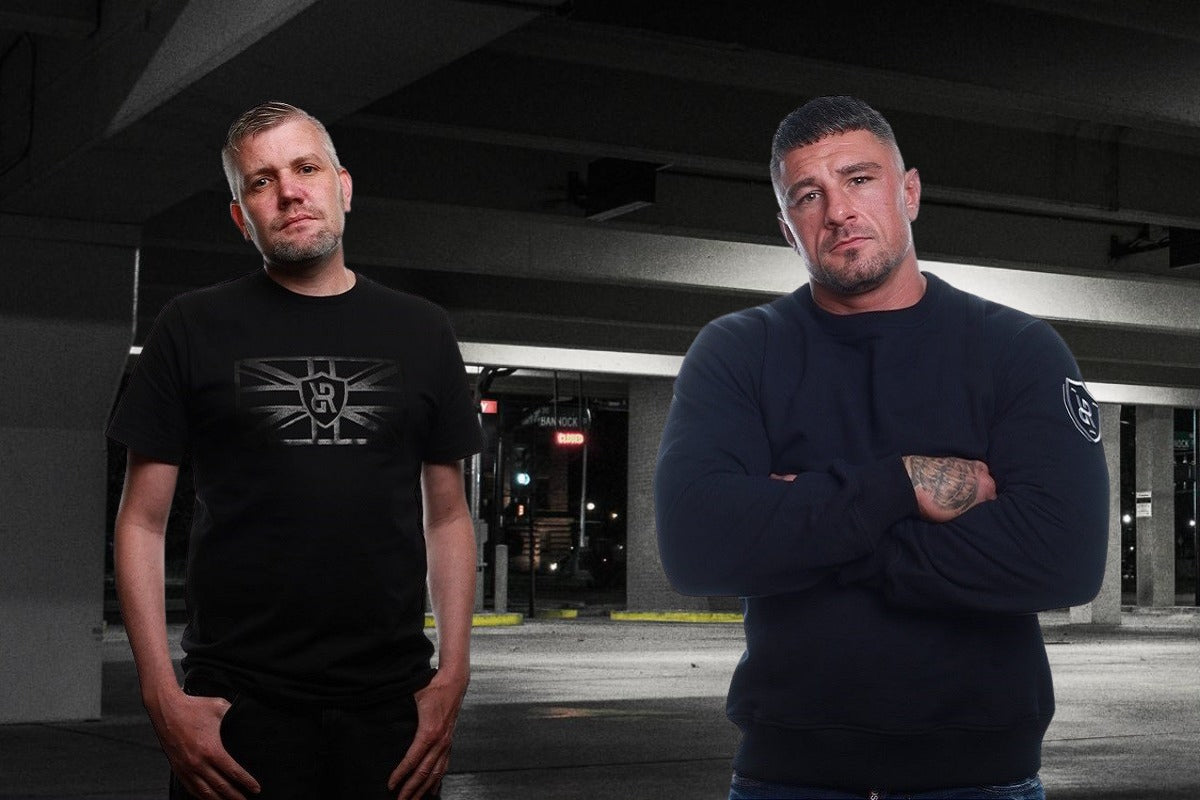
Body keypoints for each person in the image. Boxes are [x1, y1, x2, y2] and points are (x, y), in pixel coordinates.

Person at [654, 96, 1109, 799]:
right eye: (810, 195)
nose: (838, 210)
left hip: (980, 779)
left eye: (860, 179)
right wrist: (899, 487)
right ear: (788, 228)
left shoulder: (1018, 351)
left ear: (909, 192)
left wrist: (806, 528)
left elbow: (1064, 558)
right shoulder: (739, 351)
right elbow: (695, 545)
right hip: (789, 776)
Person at [109, 101, 483, 800]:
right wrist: (161, 695)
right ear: (240, 217)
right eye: (260, 181)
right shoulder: (190, 326)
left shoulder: (423, 330)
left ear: (343, 187)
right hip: (237, 711)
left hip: (390, 709)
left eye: (306, 168)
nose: (288, 191)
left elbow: (449, 515)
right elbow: (141, 522)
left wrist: (453, 674)